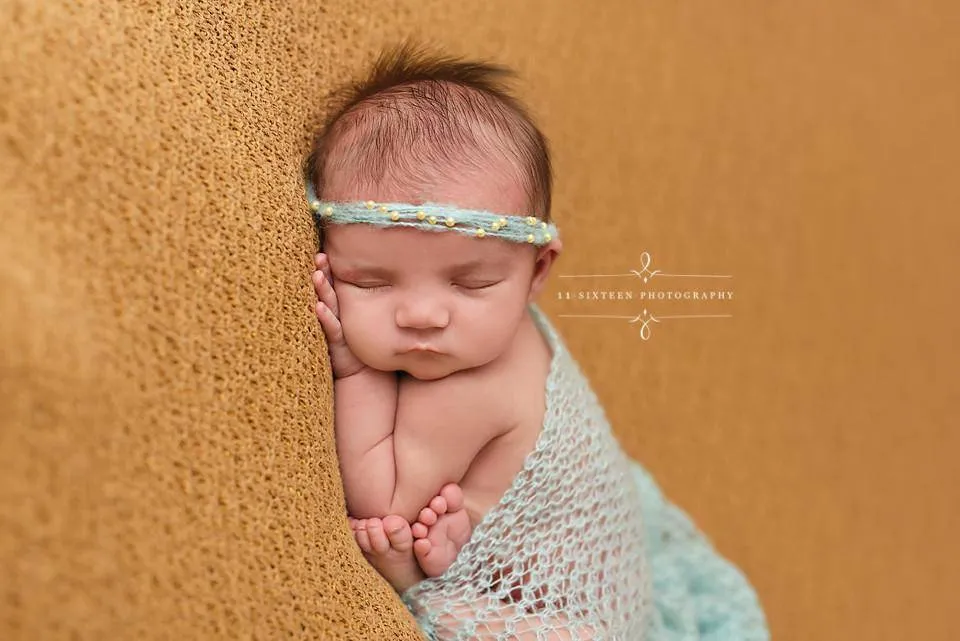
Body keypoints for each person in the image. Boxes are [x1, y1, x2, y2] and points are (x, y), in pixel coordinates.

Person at [306, 40, 768, 641]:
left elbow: (380, 502)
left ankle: (433, 567)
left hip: (572, 606)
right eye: (369, 281)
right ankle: (454, 543)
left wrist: (353, 371)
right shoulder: (491, 331)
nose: (422, 315)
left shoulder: (465, 389)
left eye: (471, 283)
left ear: (537, 271)